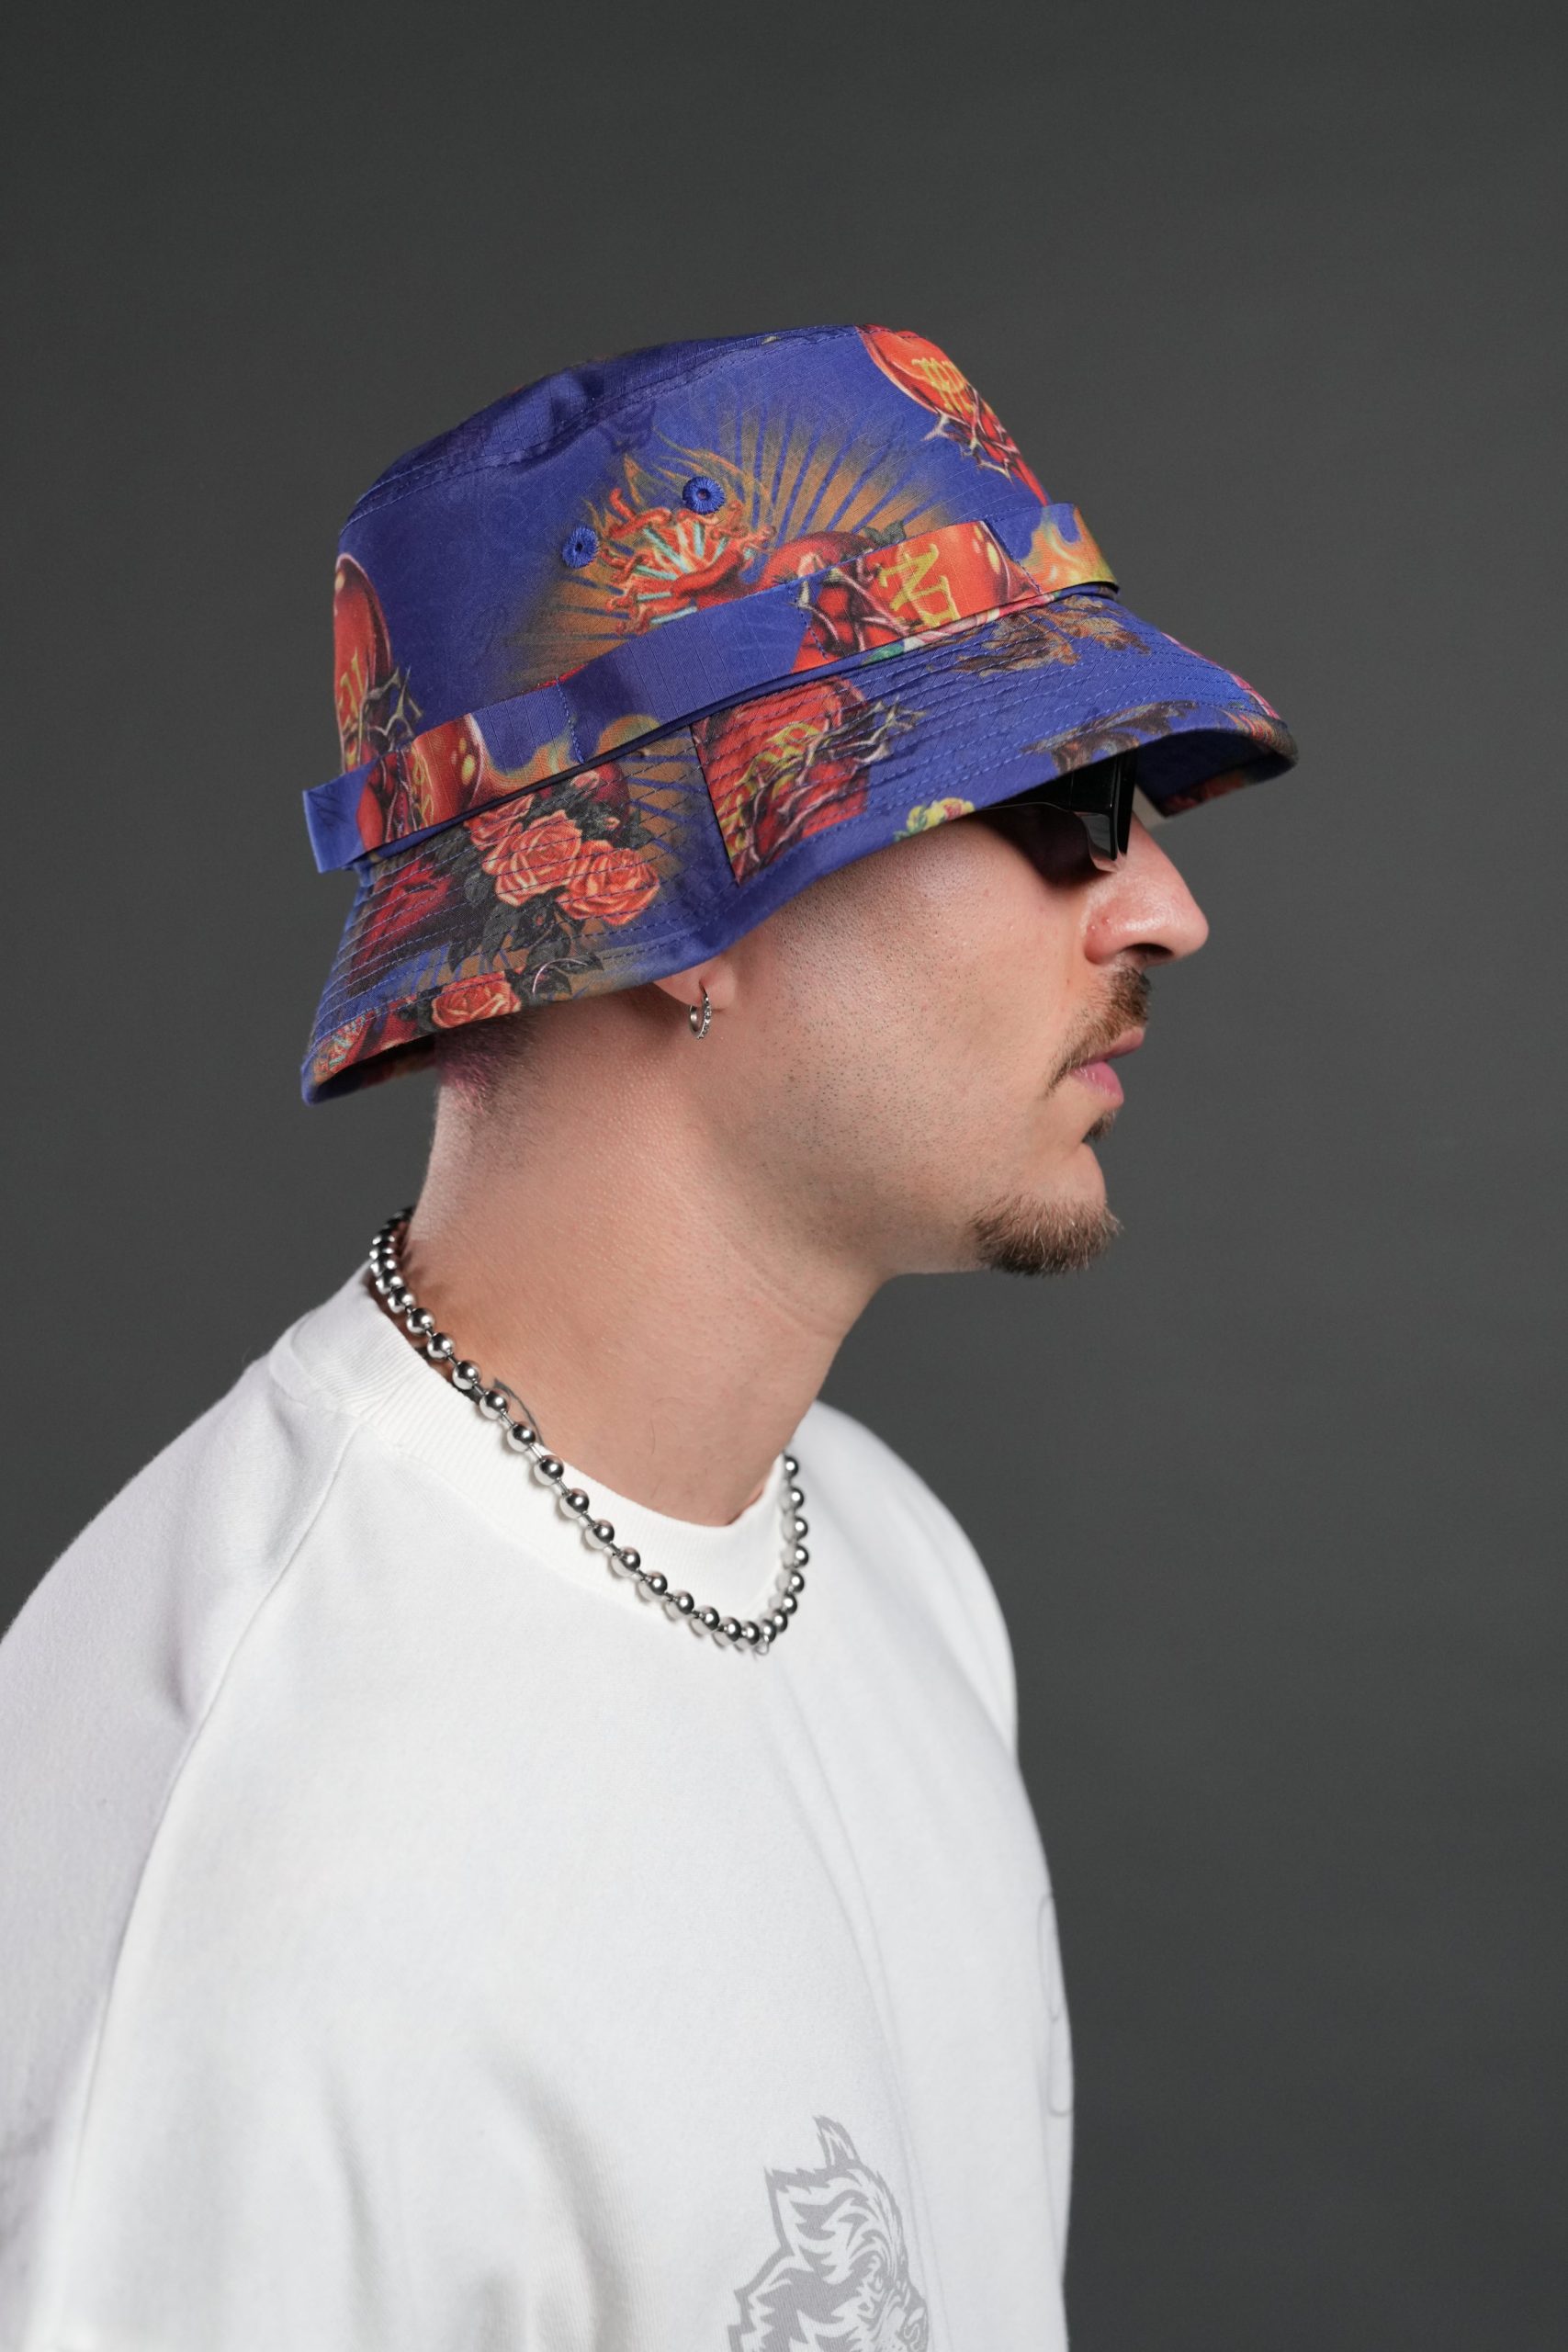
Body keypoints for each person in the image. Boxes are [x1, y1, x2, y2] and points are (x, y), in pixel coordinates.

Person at [0, 324, 1296, 2348]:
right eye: (1061, 799)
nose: (1162, 910)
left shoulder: (888, 1565)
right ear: (673, 903)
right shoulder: (267, 1850)